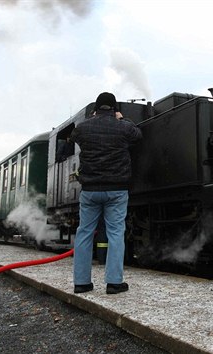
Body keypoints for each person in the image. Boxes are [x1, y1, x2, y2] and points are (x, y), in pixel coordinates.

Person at [69, 92, 142, 295]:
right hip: (117, 190)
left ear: (96, 108)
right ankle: (114, 283)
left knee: (84, 232)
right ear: (114, 108)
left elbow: (73, 137)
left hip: (90, 191)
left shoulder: (83, 127)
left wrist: (93, 119)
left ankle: (81, 283)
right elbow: (137, 135)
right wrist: (122, 118)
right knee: (115, 233)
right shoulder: (123, 127)